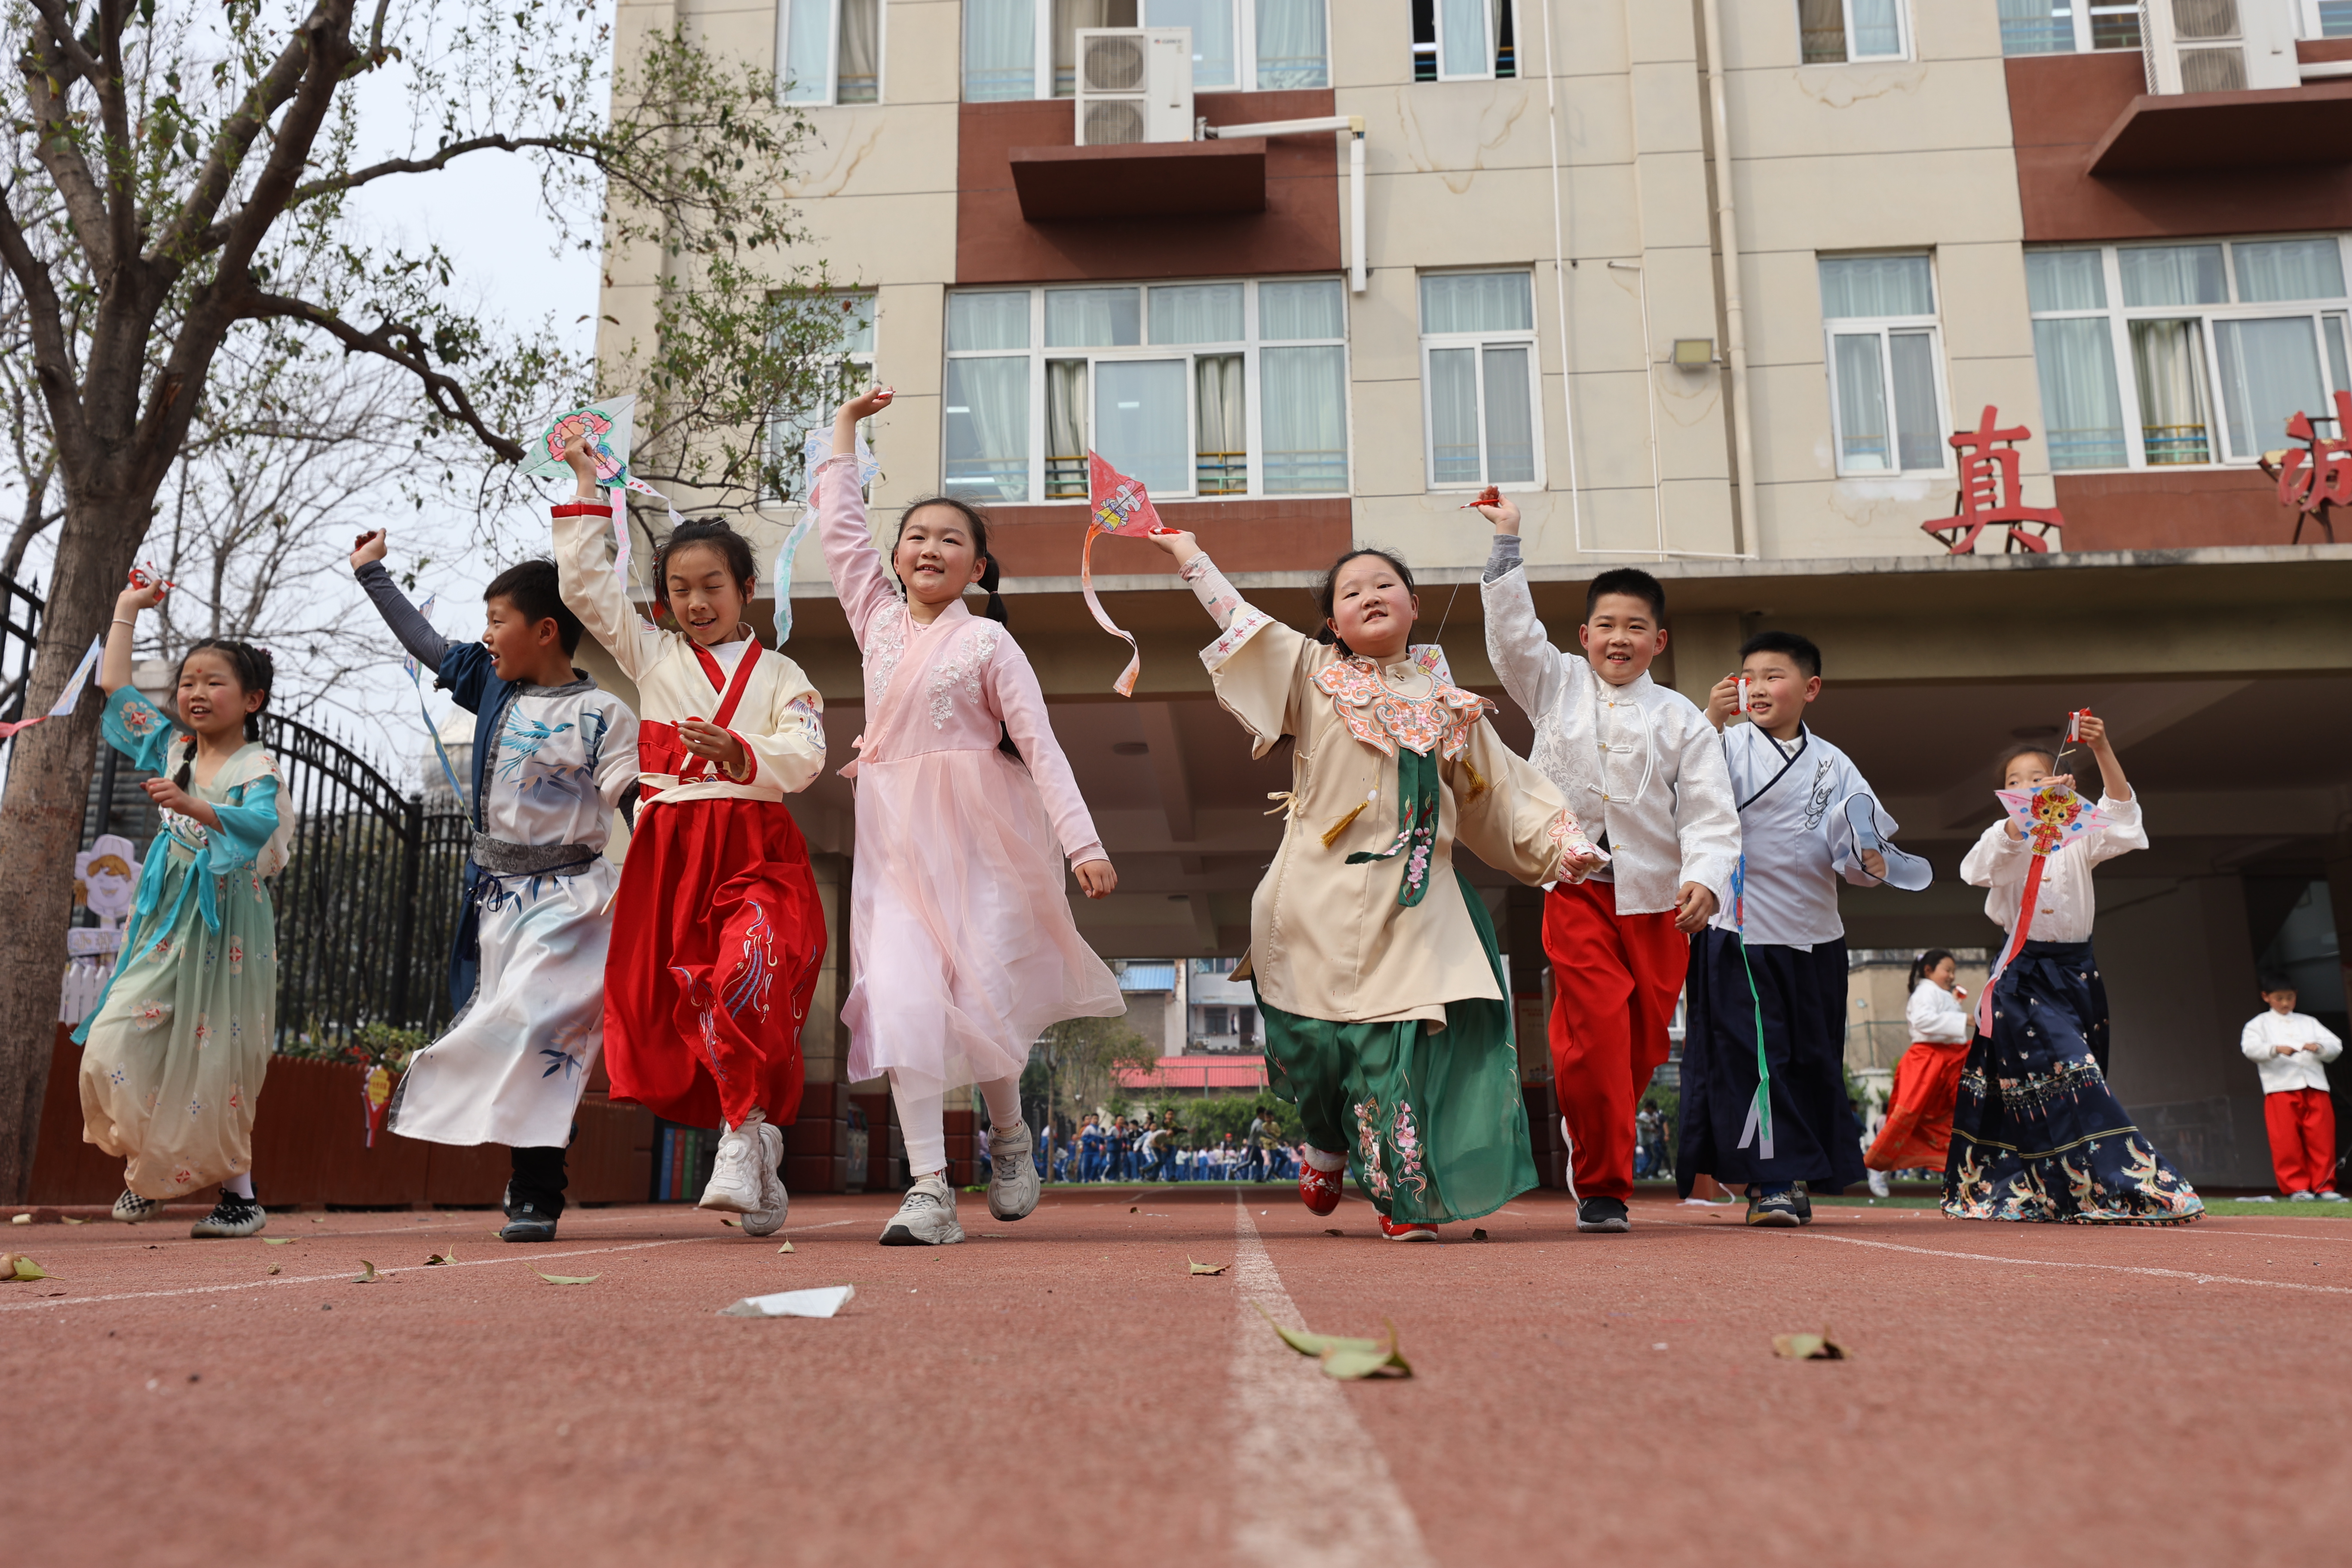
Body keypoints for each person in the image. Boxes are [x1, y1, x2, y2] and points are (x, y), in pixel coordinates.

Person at [1151, 527, 1604, 1240]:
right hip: (1311, 898)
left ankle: (1401, 1198)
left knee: (1391, 1046)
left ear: (1414, 604)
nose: (1369, 594)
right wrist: (1187, 554)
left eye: (1383, 583)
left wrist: (1562, 842)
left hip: (1414, 900)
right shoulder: (1309, 671)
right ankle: (1324, 1135)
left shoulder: (1450, 706)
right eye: (1351, 591)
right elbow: (1238, 620)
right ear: (1332, 622)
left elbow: (1506, 790)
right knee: (1312, 1046)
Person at [814, 388, 1123, 1246]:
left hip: (986, 845)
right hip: (899, 850)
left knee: (982, 1002)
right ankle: (927, 1189)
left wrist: (1083, 841)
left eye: (952, 540)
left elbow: (1043, 746)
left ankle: (1012, 1139)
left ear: (978, 569)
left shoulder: (991, 644)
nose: (930, 548)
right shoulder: (874, 619)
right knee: (907, 998)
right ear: (896, 554)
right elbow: (840, 526)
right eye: (916, 535)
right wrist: (845, 429)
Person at [551, 435, 829, 1237]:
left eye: (713, 585)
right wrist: (580, 485)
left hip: (756, 847)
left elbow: (806, 754)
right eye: (679, 589)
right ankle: (749, 1133)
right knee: (690, 996)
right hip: (672, 852)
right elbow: (586, 587)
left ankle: (742, 1135)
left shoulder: (783, 677)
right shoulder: (653, 656)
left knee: (745, 967)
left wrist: (743, 752)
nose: (697, 602)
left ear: (748, 588)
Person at [352, 533, 639, 1243]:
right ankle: (530, 1151)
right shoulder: (492, 687)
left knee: (538, 1026)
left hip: (570, 903)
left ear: (544, 631)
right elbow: (427, 641)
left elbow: (634, 801)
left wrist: (675, 871)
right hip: (492, 902)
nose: (484, 635)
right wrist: (372, 574)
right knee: (509, 1031)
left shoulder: (603, 714)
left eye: (497, 619)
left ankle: (537, 1189)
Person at [1481, 508, 1740, 1234]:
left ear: (1658, 640)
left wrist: (1707, 877)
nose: (1617, 638)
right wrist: (1507, 546)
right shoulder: (1555, 684)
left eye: (1634, 626)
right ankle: (1601, 1184)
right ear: (1583, 635)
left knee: (1640, 1045)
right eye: (1605, 625)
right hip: (1576, 888)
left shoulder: (1683, 717)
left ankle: (1606, 1147)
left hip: (1659, 903)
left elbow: (1711, 812)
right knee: (1590, 1034)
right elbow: (1510, 638)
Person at [1686, 631, 1933, 1227]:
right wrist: (1704, 722)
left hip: (1815, 934)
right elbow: (1682, 804)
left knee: (1808, 1057)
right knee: (1754, 1058)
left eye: (1774, 675)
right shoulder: (1720, 745)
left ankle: (1793, 1174)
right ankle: (1768, 1181)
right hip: (1739, 932)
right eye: (1748, 676)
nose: (1758, 687)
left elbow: (1854, 857)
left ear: (1810, 688)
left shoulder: (1835, 765)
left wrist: (1870, 863)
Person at [78, 577, 290, 1239]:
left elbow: (254, 827)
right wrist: (125, 611)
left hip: (229, 924)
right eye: (188, 682)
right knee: (114, 1038)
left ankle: (240, 1200)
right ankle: (152, 1167)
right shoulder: (172, 748)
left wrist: (193, 804)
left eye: (214, 682)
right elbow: (115, 686)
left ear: (252, 700)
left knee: (217, 1057)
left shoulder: (257, 765)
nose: (195, 693)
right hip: (167, 923)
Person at [1948, 718, 2201, 1223]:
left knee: (2060, 1087)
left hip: (2078, 974)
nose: (2026, 786)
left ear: (2064, 782)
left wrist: (2103, 746)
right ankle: (2136, 1182)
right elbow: (1975, 871)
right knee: (2078, 1076)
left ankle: (2064, 1192)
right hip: (2023, 980)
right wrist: (2022, 819)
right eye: (2015, 781)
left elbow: (2123, 814)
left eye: (2037, 776)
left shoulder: (2080, 835)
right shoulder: (2005, 838)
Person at [1863, 949, 1972, 1197]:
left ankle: (1959, 1172)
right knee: (1908, 1115)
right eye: (1948, 970)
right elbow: (1923, 1022)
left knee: (1950, 1117)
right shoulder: (1925, 992)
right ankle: (1877, 1165)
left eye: (1953, 971)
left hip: (1949, 1061)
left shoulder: (1938, 993)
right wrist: (1962, 1018)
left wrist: (1955, 1007)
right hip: (1927, 1060)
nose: (1952, 975)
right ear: (1928, 971)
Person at [2240, 978, 2343, 1200]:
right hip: (2280, 1087)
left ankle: (2324, 1187)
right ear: (2266, 997)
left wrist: (2319, 1047)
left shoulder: (2309, 1022)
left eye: (2290, 997)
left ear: (2296, 995)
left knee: (2322, 1139)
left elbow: (2336, 1045)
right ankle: (2297, 1188)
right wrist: (2275, 1049)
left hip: (2315, 1085)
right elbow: (2250, 1049)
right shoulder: (2258, 1024)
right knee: (2286, 1141)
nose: (2286, 1003)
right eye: (2279, 998)